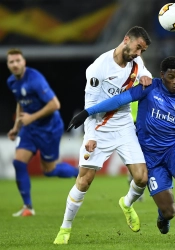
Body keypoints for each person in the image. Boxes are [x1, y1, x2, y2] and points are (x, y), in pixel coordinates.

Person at [68, 56, 175, 242]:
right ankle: (163, 217)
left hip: (174, 150)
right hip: (150, 158)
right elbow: (119, 100)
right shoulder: (149, 88)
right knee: (169, 211)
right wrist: (87, 112)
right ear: (162, 75)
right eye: (171, 76)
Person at [53, 26, 153, 244]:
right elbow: (89, 105)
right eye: (138, 48)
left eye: (142, 51)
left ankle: (126, 203)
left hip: (124, 125)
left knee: (142, 178)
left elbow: (144, 71)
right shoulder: (99, 67)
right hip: (99, 128)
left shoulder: (136, 62)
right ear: (126, 39)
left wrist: (146, 76)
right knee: (85, 180)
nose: (139, 54)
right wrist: (89, 136)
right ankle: (65, 227)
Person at [6, 48, 79, 217]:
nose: (15, 64)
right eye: (11, 62)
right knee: (18, 162)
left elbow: (55, 104)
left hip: (49, 129)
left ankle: (78, 173)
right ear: (8, 64)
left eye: (18, 61)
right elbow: (21, 103)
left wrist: (32, 117)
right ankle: (28, 207)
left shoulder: (35, 80)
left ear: (24, 62)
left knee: (49, 171)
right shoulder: (12, 82)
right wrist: (16, 127)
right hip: (30, 129)